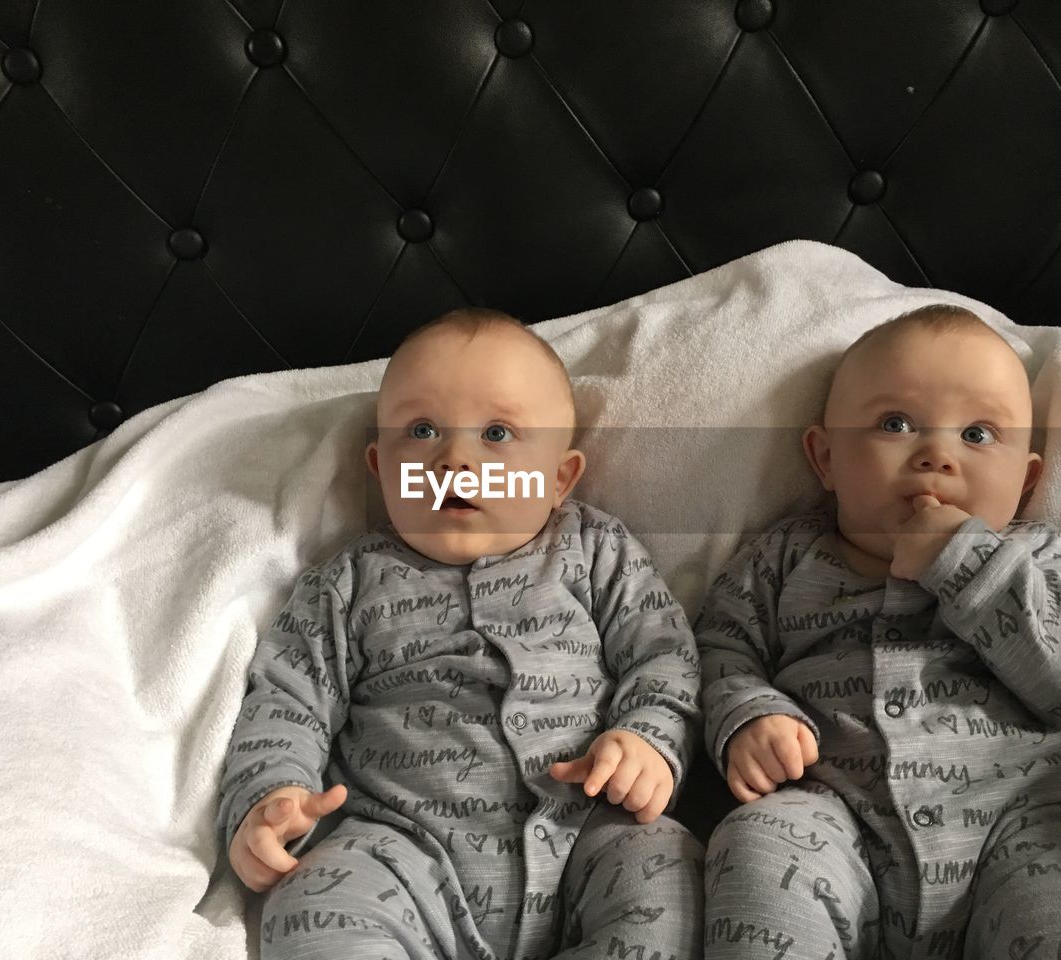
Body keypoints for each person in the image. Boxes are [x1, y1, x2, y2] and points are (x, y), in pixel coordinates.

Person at [217, 308, 704, 960]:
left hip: (585, 829)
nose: (454, 458)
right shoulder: (348, 583)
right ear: (382, 467)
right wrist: (269, 797)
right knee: (312, 902)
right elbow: (287, 701)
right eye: (421, 431)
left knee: (674, 877)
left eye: (498, 432)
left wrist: (648, 738)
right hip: (400, 849)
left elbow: (662, 653)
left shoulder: (595, 552)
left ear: (559, 478)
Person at [696, 305, 1061, 959]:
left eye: (976, 434)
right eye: (894, 424)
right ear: (825, 458)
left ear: (1026, 483)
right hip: (831, 818)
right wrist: (746, 714)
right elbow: (718, 647)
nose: (935, 455)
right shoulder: (786, 558)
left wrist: (970, 561)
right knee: (757, 843)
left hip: (1018, 831)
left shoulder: (1042, 560)